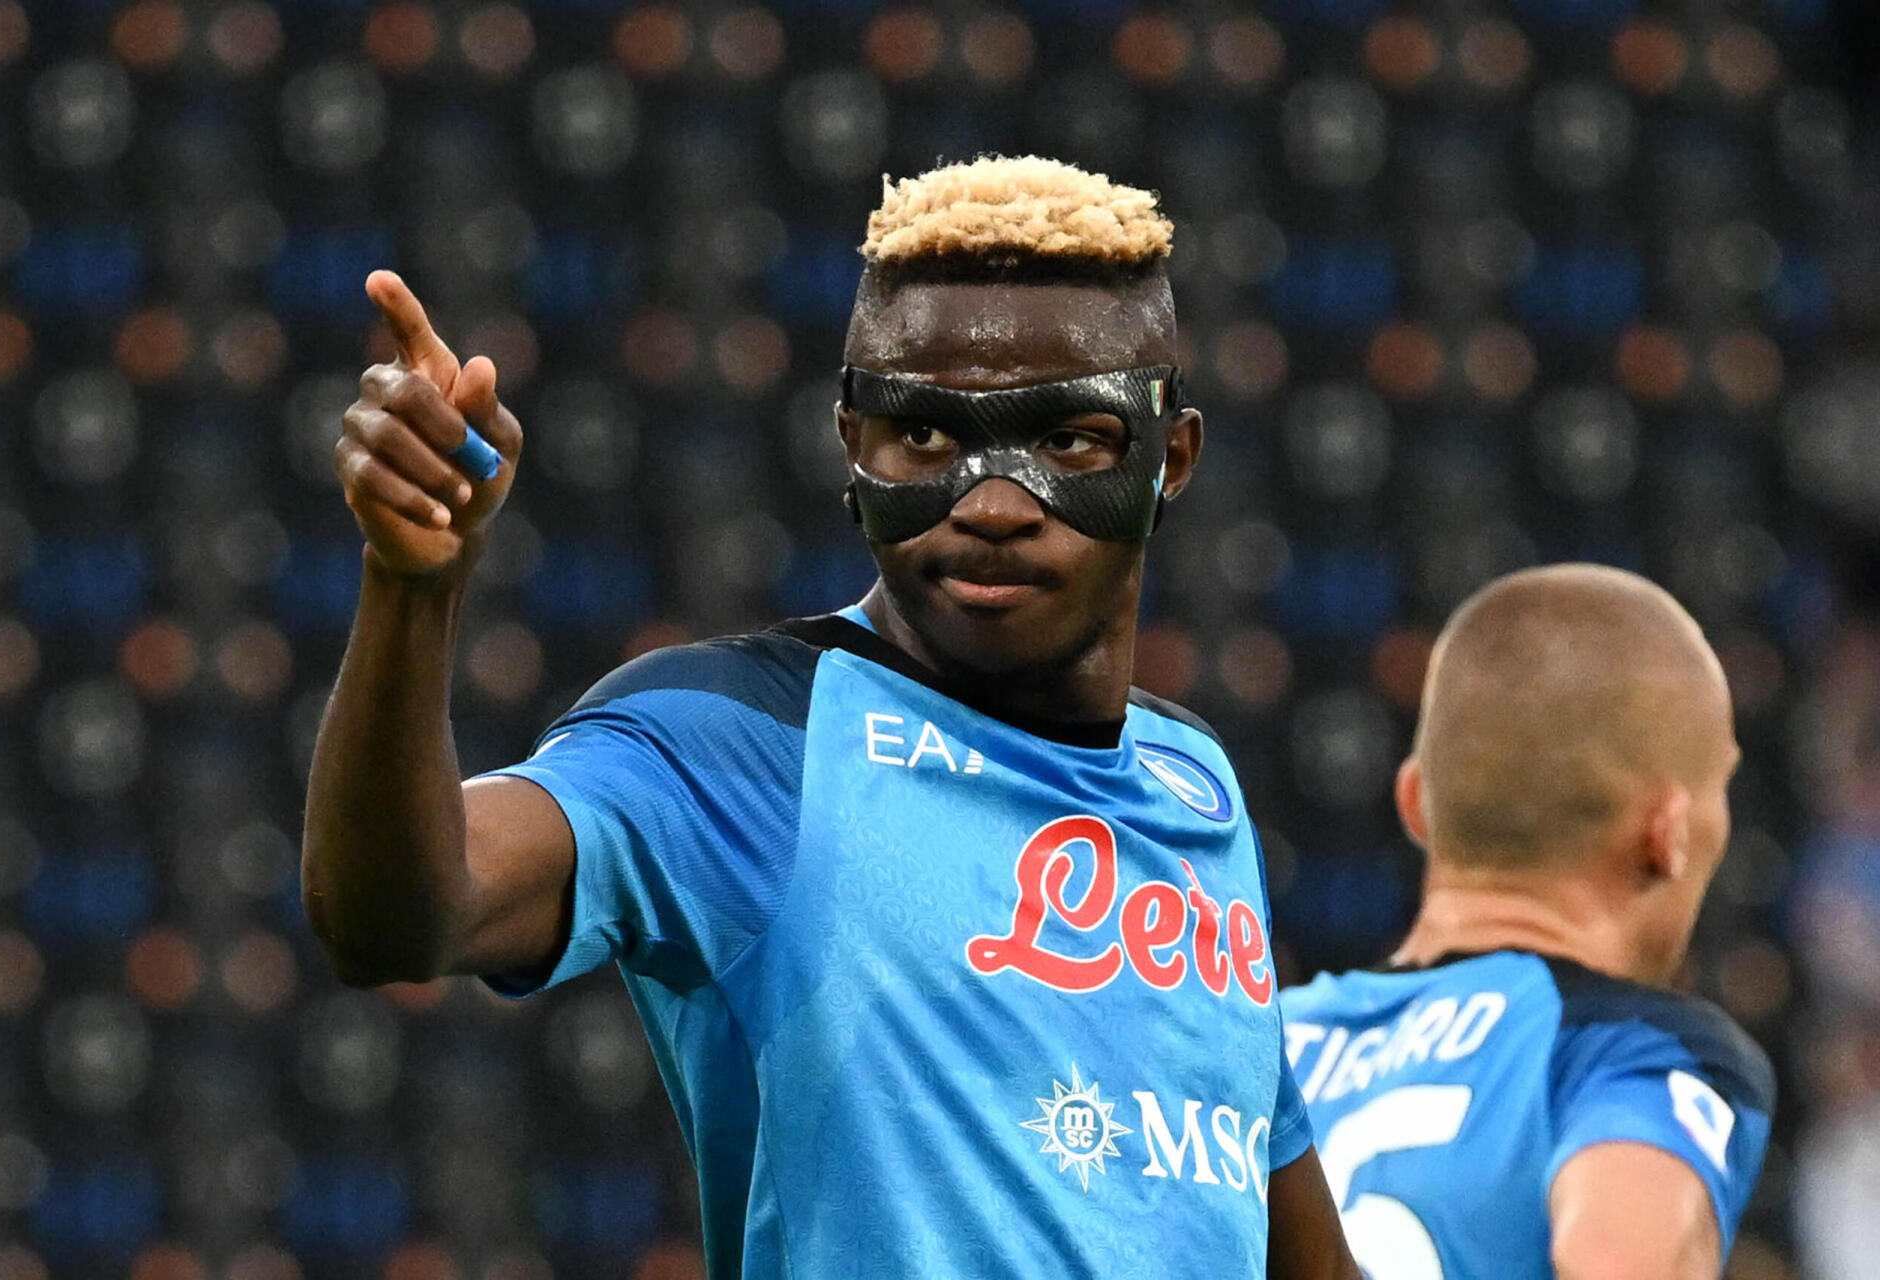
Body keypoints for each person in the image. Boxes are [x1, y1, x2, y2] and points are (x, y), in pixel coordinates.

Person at [302, 157, 1358, 1279]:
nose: (994, 505)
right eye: (926, 438)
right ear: (853, 445)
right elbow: (398, 920)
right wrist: (413, 587)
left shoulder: (1194, 779)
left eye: (1067, 440)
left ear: (1169, 459)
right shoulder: (739, 739)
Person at [1280, 564, 1774, 1280]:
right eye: (1719, 786)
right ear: (1668, 834)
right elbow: (1616, 1263)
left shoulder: (1261, 1049)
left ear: (1416, 804)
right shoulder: (1635, 1053)